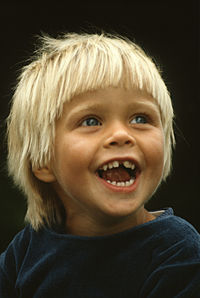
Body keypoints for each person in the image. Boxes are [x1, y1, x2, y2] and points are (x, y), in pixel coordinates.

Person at [0, 32, 199, 298]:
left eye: (140, 118)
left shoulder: (178, 252)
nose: (121, 134)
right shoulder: (27, 250)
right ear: (42, 162)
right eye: (91, 121)